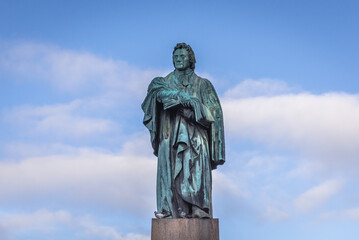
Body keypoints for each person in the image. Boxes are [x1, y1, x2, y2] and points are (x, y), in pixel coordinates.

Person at [142, 43, 225, 218]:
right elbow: (154, 98)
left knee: (194, 171)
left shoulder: (203, 85)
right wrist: (183, 98)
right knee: (170, 173)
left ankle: (197, 208)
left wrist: (193, 109)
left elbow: (214, 114)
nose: (178, 59)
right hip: (170, 135)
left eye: (182, 57)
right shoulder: (163, 82)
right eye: (175, 57)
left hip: (196, 136)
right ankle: (169, 210)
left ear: (191, 60)